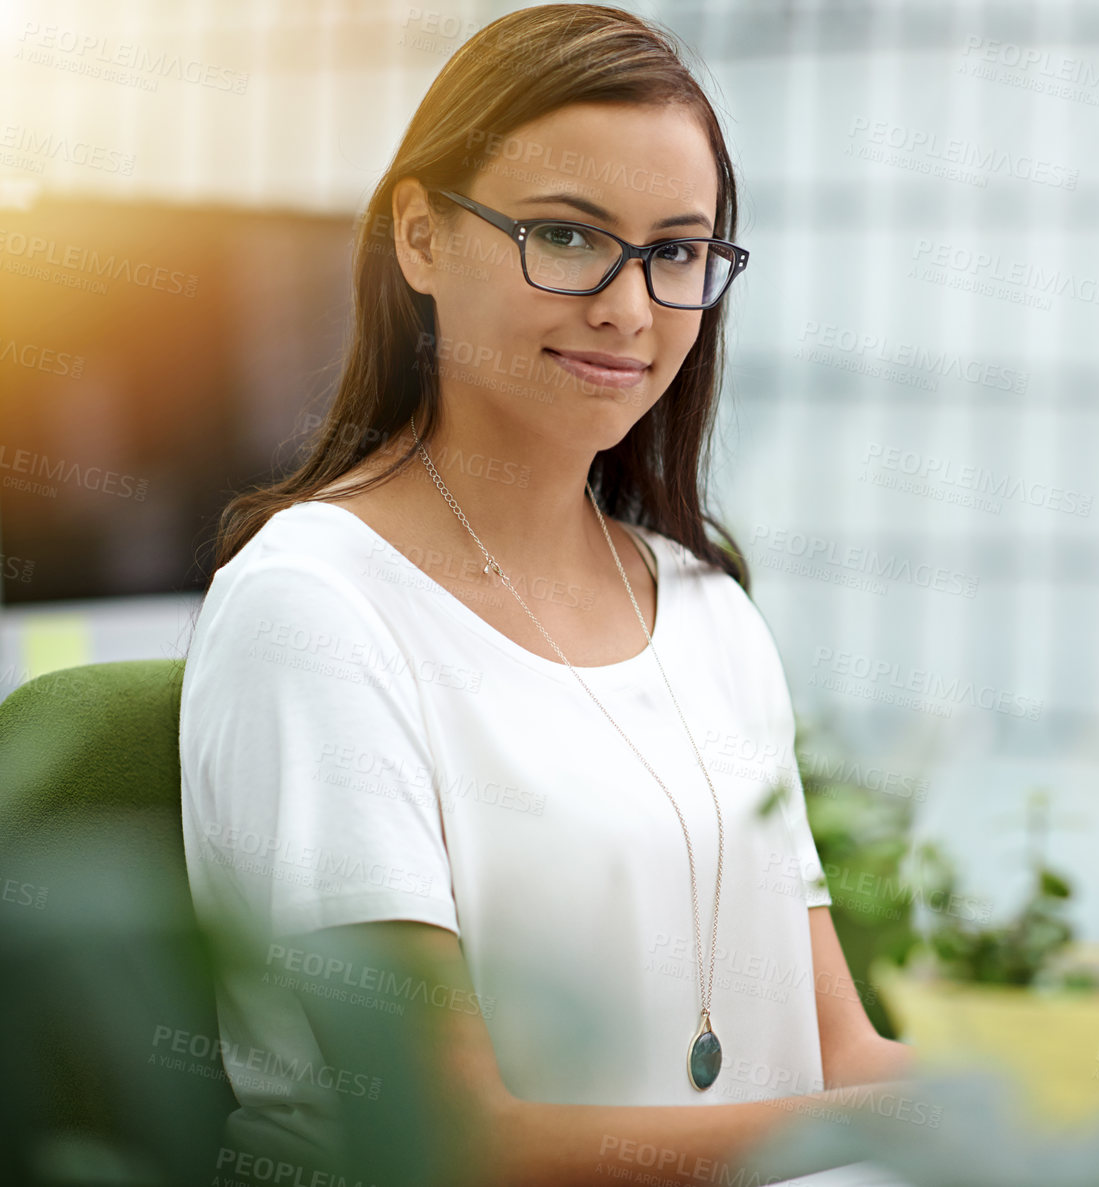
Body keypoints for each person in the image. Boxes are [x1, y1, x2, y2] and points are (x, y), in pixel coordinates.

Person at [178, 6, 913, 1184]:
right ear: (419, 235)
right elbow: (448, 1137)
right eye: (569, 237)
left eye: (678, 251)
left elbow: (835, 1053)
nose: (632, 308)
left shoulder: (706, 605)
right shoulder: (314, 605)